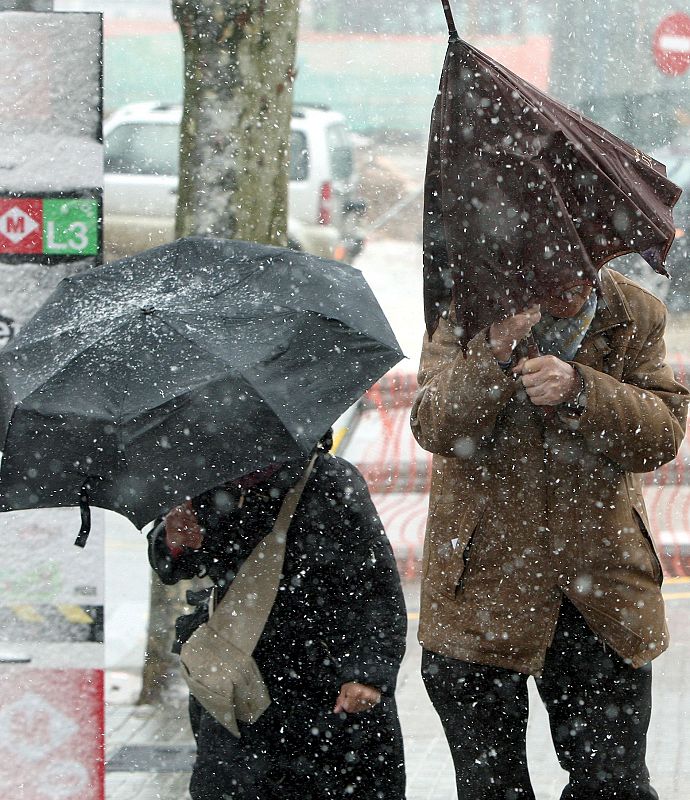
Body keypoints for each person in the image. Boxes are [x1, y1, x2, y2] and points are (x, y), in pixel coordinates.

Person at [411, 267, 689, 800]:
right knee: (490, 786)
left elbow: (661, 435)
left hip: (601, 593)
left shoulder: (632, 311)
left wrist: (582, 389)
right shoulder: (464, 307)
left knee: (614, 785)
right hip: (481, 593)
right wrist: (493, 352)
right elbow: (433, 423)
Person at [148, 433, 407, 800]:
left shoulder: (330, 481)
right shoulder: (204, 484)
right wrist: (173, 541)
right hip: (239, 678)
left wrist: (367, 675)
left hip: (326, 680)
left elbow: (376, 584)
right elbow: (174, 565)